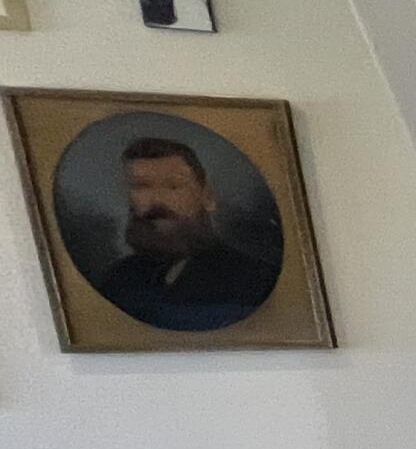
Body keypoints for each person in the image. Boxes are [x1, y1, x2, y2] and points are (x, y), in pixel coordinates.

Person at [90, 136, 280, 330]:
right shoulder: (118, 279)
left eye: (173, 186)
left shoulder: (254, 278)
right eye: (142, 186)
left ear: (208, 196)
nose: (157, 200)